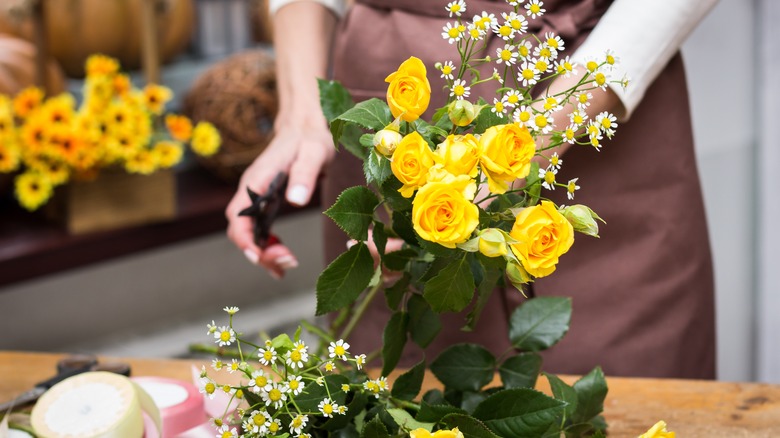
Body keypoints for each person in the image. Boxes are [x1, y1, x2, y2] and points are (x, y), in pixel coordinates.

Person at [226, 0, 719, 378]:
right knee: (405, 391)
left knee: (626, 400)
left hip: (595, 103)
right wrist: (300, 114)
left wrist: (527, 147)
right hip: (396, 110)